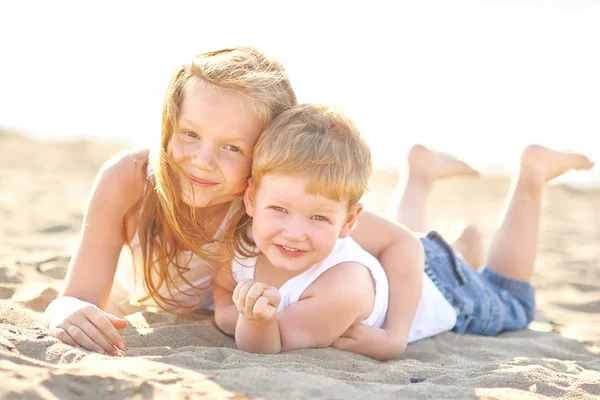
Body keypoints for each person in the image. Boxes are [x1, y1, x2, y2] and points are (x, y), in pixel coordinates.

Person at [43, 47, 425, 360]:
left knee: (435, 250)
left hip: (413, 274)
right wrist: (65, 310)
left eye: (232, 147)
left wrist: (396, 335)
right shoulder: (127, 180)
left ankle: (419, 181)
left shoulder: (273, 204)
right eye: (190, 133)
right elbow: (77, 296)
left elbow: (401, 242)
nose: (203, 161)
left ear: (264, 153)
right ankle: (420, 177)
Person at [214, 103, 594, 359]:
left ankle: (531, 175)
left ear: (349, 221)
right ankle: (428, 186)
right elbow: (224, 294)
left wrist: (395, 336)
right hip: (403, 259)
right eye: (279, 209)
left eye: (318, 219)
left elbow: (270, 343)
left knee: (511, 297)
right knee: (416, 244)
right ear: (251, 200)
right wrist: (231, 311)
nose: (293, 233)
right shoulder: (240, 241)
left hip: (444, 292)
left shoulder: (341, 290)